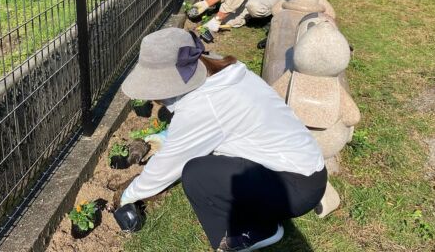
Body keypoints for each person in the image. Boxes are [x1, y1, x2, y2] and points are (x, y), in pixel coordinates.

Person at [119, 28, 327, 251]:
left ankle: (250, 233)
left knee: (197, 175)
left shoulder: (204, 104)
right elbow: (192, 131)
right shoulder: (223, 72)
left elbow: (169, 164)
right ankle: (259, 218)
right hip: (306, 169)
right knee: (210, 167)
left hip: (294, 188)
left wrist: (129, 196)